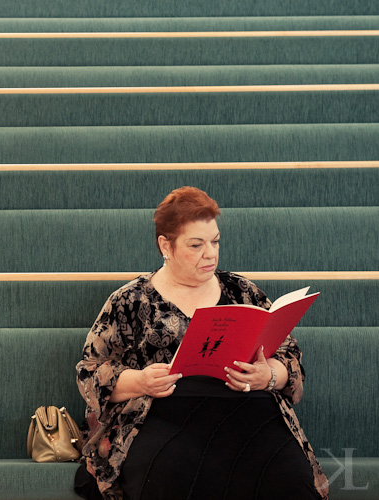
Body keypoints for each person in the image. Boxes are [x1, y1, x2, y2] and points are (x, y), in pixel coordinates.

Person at [74, 187, 329, 500]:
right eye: (196, 245)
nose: (210, 253)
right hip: (163, 416)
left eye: (215, 241)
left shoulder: (242, 291)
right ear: (165, 245)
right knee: (168, 478)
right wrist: (140, 381)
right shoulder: (130, 300)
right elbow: (89, 372)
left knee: (290, 479)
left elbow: (289, 356)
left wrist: (269, 375)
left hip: (249, 411)